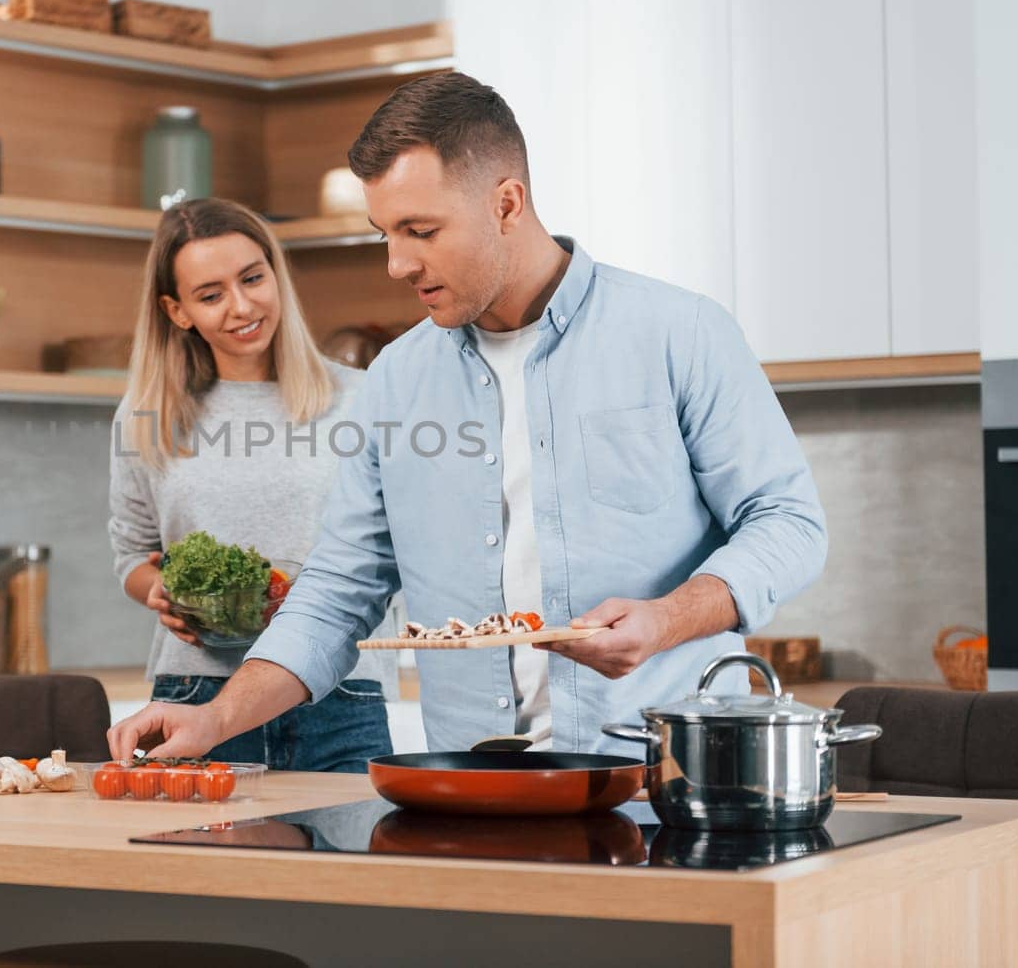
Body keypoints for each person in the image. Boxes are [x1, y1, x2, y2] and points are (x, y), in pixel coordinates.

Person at [109, 72, 828, 761]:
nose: (396, 263)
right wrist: (214, 717)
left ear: (507, 203)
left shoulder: (680, 332)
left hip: (663, 775)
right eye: (385, 232)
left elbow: (788, 522)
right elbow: (336, 593)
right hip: (474, 788)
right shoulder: (397, 380)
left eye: (420, 229)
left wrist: (667, 617)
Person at [107, 197, 397, 772]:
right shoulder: (147, 414)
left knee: (350, 862)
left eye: (252, 278)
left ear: (276, 273)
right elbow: (132, 557)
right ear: (178, 309)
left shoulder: (363, 399)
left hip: (340, 694)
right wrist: (159, 592)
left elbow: (391, 550)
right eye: (211, 295)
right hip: (196, 692)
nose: (242, 306)